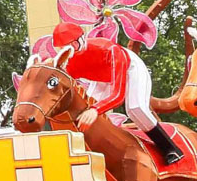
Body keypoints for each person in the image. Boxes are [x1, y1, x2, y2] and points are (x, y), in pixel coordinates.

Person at [50, 19, 180, 163]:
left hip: (130, 69)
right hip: (101, 77)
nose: (70, 51)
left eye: (72, 45)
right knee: (84, 109)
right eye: (64, 49)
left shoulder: (109, 50)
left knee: (135, 109)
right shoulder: (69, 62)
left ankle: (169, 149)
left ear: (81, 39)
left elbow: (118, 95)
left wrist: (95, 109)